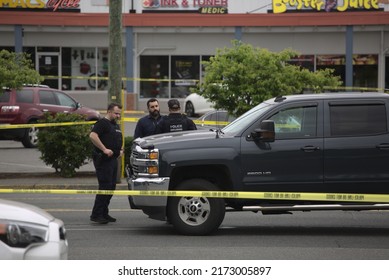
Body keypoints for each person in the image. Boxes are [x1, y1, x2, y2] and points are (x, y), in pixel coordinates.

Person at [89, 102, 123, 224]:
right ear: (109, 111)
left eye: (119, 114)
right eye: (116, 113)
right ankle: (96, 214)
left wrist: (121, 150)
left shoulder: (115, 125)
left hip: (113, 160)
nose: (118, 116)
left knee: (111, 187)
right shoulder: (102, 123)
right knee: (105, 187)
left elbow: (118, 139)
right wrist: (104, 149)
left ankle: (104, 212)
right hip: (103, 160)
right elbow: (93, 136)